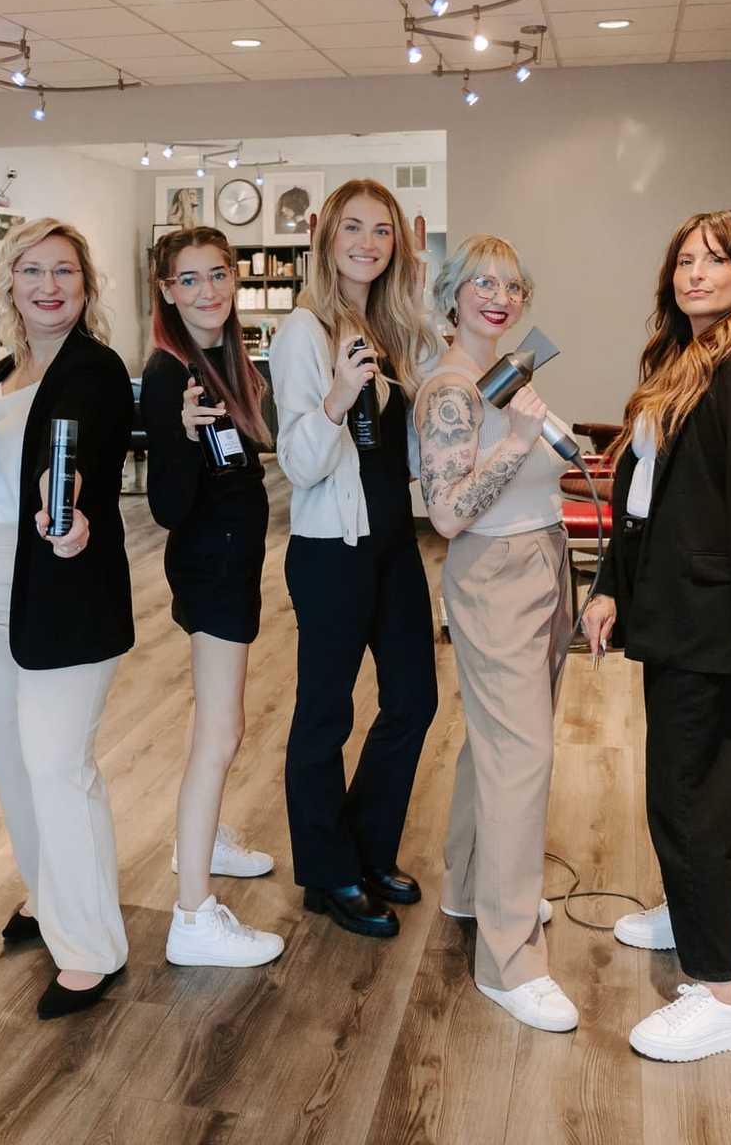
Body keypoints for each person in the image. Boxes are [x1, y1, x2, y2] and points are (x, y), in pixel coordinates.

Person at [580, 211, 731, 1062]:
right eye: (684, 262)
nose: (696, 274)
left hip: (709, 619)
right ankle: (689, 909)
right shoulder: (675, 362)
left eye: (715, 261)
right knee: (686, 784)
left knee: (691, 793)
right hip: (666, 607)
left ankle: (721, 992)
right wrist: (605, 586)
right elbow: (641, 493)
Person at [0, 217, 137, 1019]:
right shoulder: (0, 370)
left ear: (85, 286)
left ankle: (92, 946)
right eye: (33, 271)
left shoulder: (95, 369)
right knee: (15, 764)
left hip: (63, 593)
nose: (50, 286)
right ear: (9, 283)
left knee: (60, 767)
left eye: (65, 272)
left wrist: (78, 524)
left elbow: (86, 464)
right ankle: (47, 895)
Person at [269, 178, 441, 938]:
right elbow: (300, 465)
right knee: (324, 717)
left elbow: (418, 429)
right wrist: (337, 397)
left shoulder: (391, 327)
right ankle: (328, 871)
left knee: (413, 700)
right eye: (355, 228)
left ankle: (367, 849)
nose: (368, 243)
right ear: (326, 237)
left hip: (393, 542)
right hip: (329, 551)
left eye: (383, 232)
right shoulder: (302, 332)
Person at [414, 235, 574, 1031]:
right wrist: (515, 441)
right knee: (522, 755)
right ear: (452, 294)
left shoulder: (504, 374)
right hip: (496, 572)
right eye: (482, 282)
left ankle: (473, 888)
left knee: (498, 743)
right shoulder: (450, 391)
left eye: (512, 284)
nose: (499, 296)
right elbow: (446, 512)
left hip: (543, 555)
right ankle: (509, 961)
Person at [142, 226, 284, 970]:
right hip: (212, 565)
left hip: (230, 560)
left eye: (217, 275)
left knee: (217, 723)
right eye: (189, 280)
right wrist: (185, 437)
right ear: (166, 290)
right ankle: (193, 911)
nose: (208, 291)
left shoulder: (225, 359)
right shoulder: (171, 375)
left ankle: (206, 836)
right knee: (220, 733)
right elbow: (168, 504)